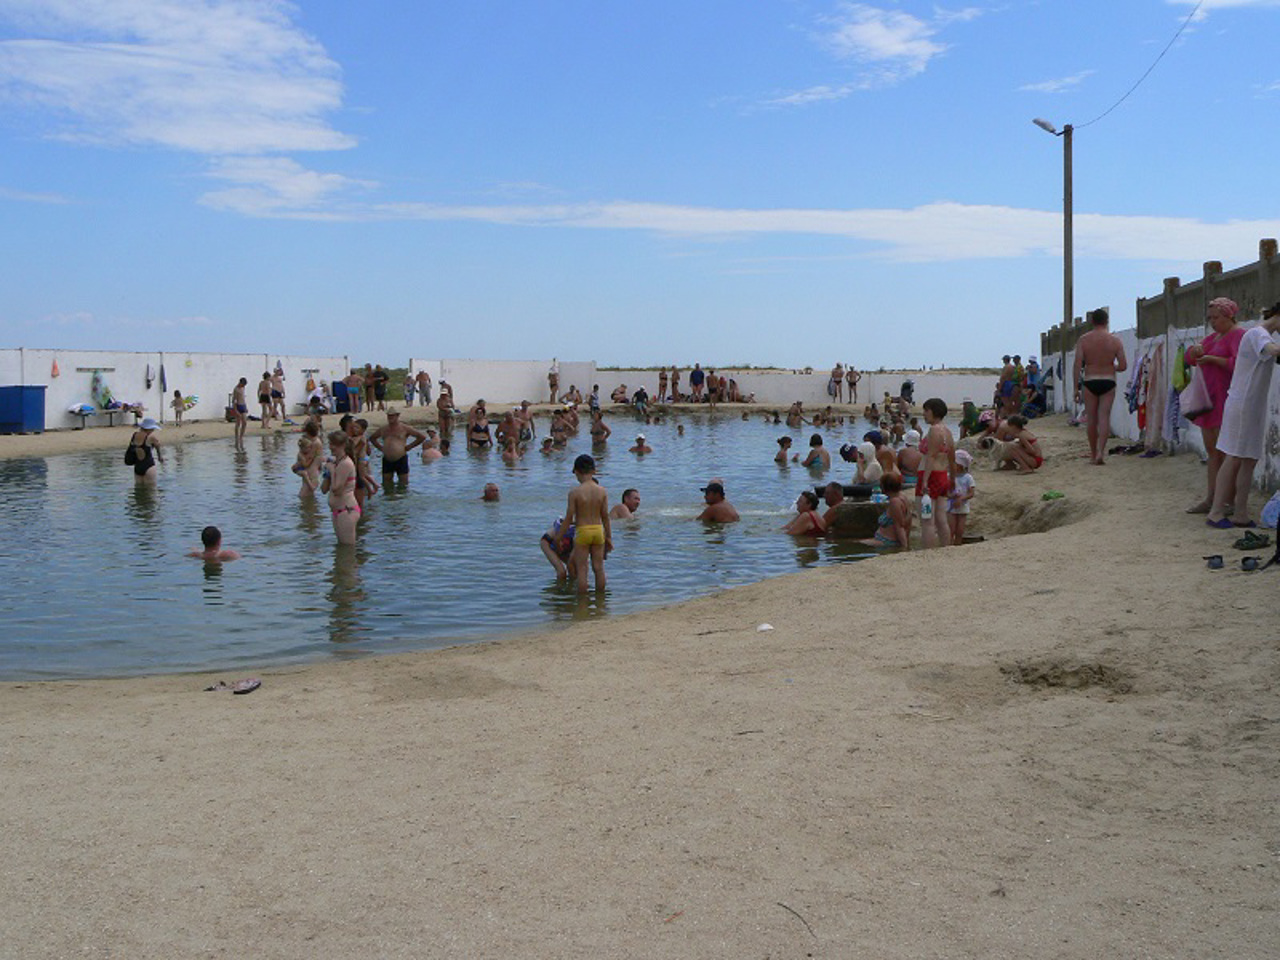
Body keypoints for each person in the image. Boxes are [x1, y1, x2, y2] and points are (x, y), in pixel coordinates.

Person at [1206, 302, 1280, 528]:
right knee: (1234, 457)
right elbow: (1272, 351)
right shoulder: (1258, 334)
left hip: (1252, 405)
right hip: (1243, 404)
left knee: (1249, 459)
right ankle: (1216, 512)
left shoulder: (1262, 335)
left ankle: (1240, 512)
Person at [1185, 297, 1247, 514]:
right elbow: (1191, 358)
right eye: (1210, 318)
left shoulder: (1238, 335)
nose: (1212, 322)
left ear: (1229, 315)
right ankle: (1211, 497)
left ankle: (1227, 499)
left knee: (1225, 453)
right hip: (1208, 401)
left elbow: (1239, 363)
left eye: (1216, 317)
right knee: (1213, 452)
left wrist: (1211, 359)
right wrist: (1194, 352)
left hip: (1225, 399)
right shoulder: (1213, 337)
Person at [1073, 308, 1128, 465]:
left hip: (1090, 380)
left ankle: (1092, 454)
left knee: (1092, 419)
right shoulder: (1115, 341)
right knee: (1104, 417)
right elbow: (1123, 365)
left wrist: (1075, 388)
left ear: (1092, 321)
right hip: (1108, 380)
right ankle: (1101, 453)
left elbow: (1077, 364)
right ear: (1107, 321)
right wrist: (1110, 367)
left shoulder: (1084, 340)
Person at [564, 454, 611, 593]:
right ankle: (600, 601)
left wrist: (559, 536)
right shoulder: (602, 491)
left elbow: (568, 518)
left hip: (583, 531)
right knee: (599, 568)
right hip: (598, 530)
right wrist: (609, 537)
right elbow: (605, 517)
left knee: (582, 570)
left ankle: (583, 605)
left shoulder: (575, 492)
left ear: (577, 471)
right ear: (594, 471)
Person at [917, 398, 956, 548]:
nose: (924, 414)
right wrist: (952, 480)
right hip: (942, 476)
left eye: (926, 411)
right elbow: (952, 459)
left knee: (927, 520)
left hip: (930, 475)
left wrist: (925, 481)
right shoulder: (947, 432)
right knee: (941, 519)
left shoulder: (934, 430)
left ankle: (928, 552)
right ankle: (946, 548)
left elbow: (931, 456)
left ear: (934, 411)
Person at [321, 428, 359, 544]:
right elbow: (323, 490)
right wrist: (327, 474)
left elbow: (337, 490)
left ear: (343, 445)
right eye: (330, 444)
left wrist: (332, 471)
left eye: (335, 445)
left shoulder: (345, 463)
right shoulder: (336, 462)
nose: (331, 447)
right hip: (336, 511)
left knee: (347, 549)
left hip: (347, 511)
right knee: (341, 549)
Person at [370, 407, 427, 484]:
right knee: (386, 483)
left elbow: (421, 437)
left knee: (403, 483)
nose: (390, 418)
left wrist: (409, 447)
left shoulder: (405, 428)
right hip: (387, 459)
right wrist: (381, 448)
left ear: (397, 416)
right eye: (389, 416)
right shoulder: (383, 429)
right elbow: (372, 438)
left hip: (401, 458)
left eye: (392, 416)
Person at [865, 474, 910, 549]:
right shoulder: (902, 497)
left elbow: (899, 526)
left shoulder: (895, 502)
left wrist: (904, 547)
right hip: (884, 539)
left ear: (884, 487)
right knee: (855, 541)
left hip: (887, 541)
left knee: (855, 544)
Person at [947, 449, 976, 544]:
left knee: (960, 530)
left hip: (963, 507)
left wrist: (961, 498)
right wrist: (951, 495)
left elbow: (971, 493)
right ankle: (949, 545)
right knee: (951, 529)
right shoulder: (949, 476)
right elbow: (945, 492)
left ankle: (957, 545)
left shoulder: (968, 477)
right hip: (950, 506)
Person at [125, 417, 164, 483]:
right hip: (149, 466)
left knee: (139, 490)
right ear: (150, 428)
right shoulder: (151, 437)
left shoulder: (135, 435)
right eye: (153, 429)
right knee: (151, 491)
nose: (153, 430)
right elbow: (158, 445)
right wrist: (160, 456)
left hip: (137, 467)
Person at [293, 420, 324, 497]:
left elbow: (307, 460)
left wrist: (296, 466)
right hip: (312, 472)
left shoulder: (314, 443)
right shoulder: (316, 441)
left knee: (302, 496)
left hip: (311, 473)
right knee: (309, 497)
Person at [231, 377, 249, 449]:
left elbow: (243, 398)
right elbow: (234, 401)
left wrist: (246, 407)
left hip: (243, 405)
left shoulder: (243, 388)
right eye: (243, 384)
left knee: (244, 422)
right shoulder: (236, 389)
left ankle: (241, 436)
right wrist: (235, 410)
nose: (243, 386)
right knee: (238, 422)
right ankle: (236, 436)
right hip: (238, 405)